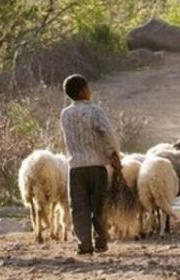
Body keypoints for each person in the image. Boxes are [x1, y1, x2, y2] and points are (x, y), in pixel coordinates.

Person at [60, 74, 122, 256]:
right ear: (82, 91)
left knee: (79, 207)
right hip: (96, 165)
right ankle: (100, 241)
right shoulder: (95, 111)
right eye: (88, 88)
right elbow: (107, 134)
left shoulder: (65, 114)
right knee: (99, 205)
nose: (90, 91)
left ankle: (84, 244)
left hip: (75, 167)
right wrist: (114, 154)